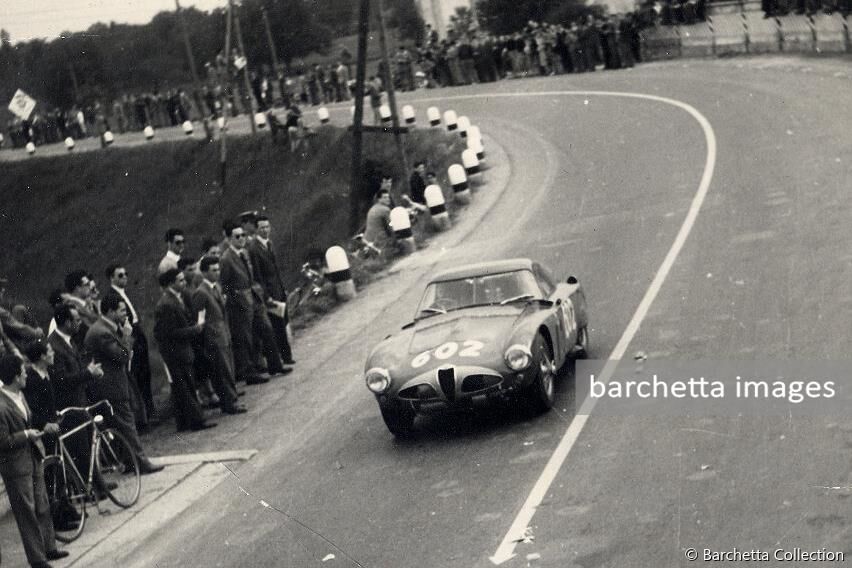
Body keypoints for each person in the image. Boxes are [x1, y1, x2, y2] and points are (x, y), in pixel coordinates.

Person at [0, 354, 69, 567]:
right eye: (22, 372)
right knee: (27, 513)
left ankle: (49, 547)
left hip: (33, 457)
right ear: (14, 377)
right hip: (16, 466)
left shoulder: (20, 396)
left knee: (42, 503)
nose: (25, 375)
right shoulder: (1, 406)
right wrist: (27, 435)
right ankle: (37, 559)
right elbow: (2, 441)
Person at [84, 293, 164, 474]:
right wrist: (127, 336)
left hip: (112, 385)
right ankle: (141, 462)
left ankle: (130, 462)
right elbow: (123, 356)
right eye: (121, 310)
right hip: (111, 387)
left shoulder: (105, 328)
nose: (125, 313)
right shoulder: (102, 332)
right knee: (127, 425)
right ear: (111, 311)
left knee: (121, 425)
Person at [219, 221, 287, 384]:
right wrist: (235, 297)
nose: (241, 238)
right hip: (240, 302)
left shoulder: (245, 253)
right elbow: (225, 283)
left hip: (254, 296)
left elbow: (253, 274)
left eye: (243, 235)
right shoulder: (226, 259)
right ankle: (249, 372)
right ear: (229, 239)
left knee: (266, 329)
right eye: (237, 236)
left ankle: (274, 364)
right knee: (245, 338)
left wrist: (258, 292)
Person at [153, 269, 215, 432]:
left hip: (179, 351)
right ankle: (196, 420)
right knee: (185, 386)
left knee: (184, 385)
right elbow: (171, 333)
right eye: (180, 280)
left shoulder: (173, 300)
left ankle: (185, 422)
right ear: (170, 284)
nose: (184, 283)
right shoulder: (167, 304)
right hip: (176, 352)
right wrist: (195, 329)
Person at [192, 257, 247, 416]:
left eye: (218, 269)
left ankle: (231, 400)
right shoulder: (201, 293)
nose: (217, 273)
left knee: (228, 368)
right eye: (213, 270)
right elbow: (199, 320)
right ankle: (229, 403)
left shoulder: (216, 287)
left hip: (224, 333)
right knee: (222, 371)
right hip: (214, 337)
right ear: (204, 272)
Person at [107, 264, 155, 429]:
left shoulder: (124, 293)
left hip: (136, 333)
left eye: (126, 274)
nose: (125, 278)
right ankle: (144, 416)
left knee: (144, 373)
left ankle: (148, 412)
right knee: (137, 374)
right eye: (120, 275)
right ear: (111, 278)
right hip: (130, 335)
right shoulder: (113, 296)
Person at [248, 215, 295, 366]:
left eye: (267, 227)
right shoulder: (254, 249)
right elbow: (258, 275)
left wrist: (282, 288)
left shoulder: (269, 244)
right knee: (276, 326)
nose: (265, 230)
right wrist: (266, 295)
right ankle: (283, 357)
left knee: (282, 322)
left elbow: (275, 270)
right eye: (262, 227)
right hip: (269, 292)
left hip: (277, 289)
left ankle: (286, 356)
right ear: (256, 229)